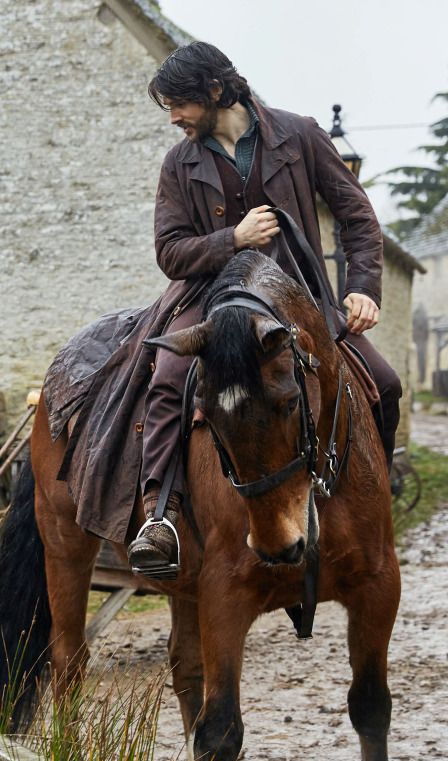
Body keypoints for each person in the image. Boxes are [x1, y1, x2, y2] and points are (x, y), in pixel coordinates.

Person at [127, 41, 401, 579]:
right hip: (210, 302)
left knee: (385, 385)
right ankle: (161, 515)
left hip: (302, 302)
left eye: (179, 104)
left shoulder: (298, 135)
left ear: (214, 90)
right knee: (166, 377)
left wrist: (363, 286)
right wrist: (233, 238)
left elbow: (357, 216)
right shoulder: (179, 162)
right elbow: (170, 251)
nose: (175, 118)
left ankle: (372, 504)